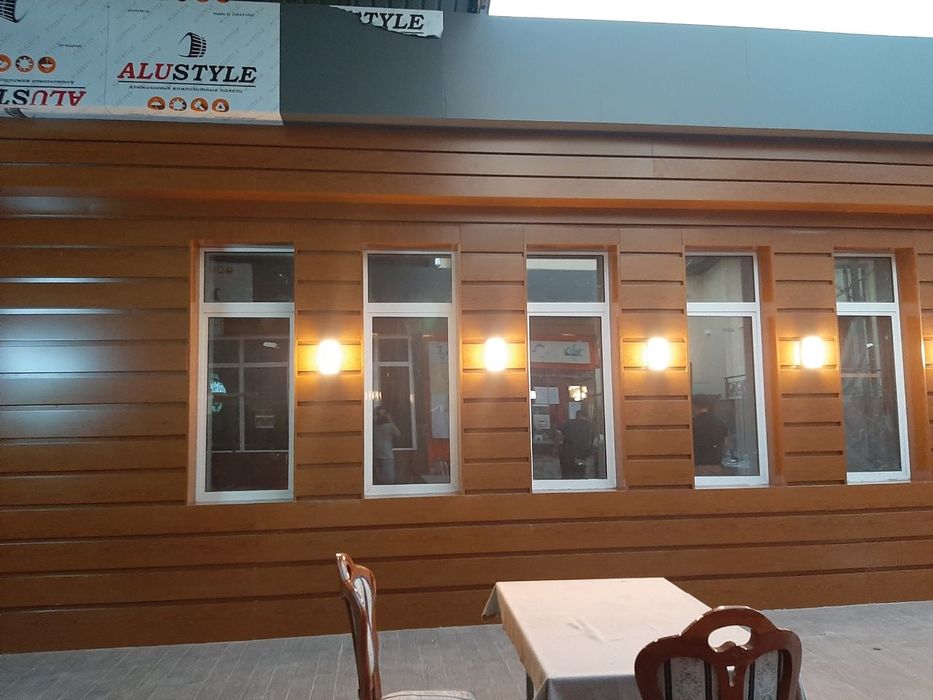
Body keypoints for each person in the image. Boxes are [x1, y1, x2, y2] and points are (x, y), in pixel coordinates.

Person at [557, 405, 594, 479]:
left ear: (576, 416)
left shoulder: (568, 423)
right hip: (581, 455)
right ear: (585, 416)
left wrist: (558, 447)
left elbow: (558, 433)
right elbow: (591, 440)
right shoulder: (589, 425)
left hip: (567, 454)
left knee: (566, 476)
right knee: (579, 476)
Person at [692, 397, 729, 468]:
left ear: (693, 406)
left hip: (697, 466)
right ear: (708, 406)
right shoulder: (720, 422)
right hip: (716, 465)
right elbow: (726, 444)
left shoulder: (692, 423)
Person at [373, 406, 401, 484]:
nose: (381, 415)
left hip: (387, 456)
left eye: (383, 413)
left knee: (389, 479)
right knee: (378, 480)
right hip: (376, 456)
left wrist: (390, 420)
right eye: (379, 414)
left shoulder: (389, 426)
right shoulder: (374, 426)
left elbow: (398, 434)